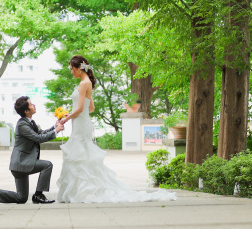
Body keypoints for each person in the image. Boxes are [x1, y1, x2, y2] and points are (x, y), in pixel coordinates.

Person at [56, 55, 177, 203]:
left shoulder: (83, 84)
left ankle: (81, 192)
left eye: (72, 69)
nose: (71, 72)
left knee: (80, 155)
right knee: (82, 156)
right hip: (82, 123)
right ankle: (81, 191)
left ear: (78, 68)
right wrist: (71, 113)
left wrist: (65, 118)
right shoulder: (86, 83)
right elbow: (91, 108)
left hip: (81, 125)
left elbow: (81, 108)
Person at [0, 96, 64, 205]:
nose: (34, 105)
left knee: (21, 198)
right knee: (47, 165)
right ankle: (38, 195)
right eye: (31, 104)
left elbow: (41, 133)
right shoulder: (22, 124)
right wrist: (56, 131)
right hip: (21, 163)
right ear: (26, 111)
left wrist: (55, 127)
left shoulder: (29, 122)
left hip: (20, 164)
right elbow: (38, 138)